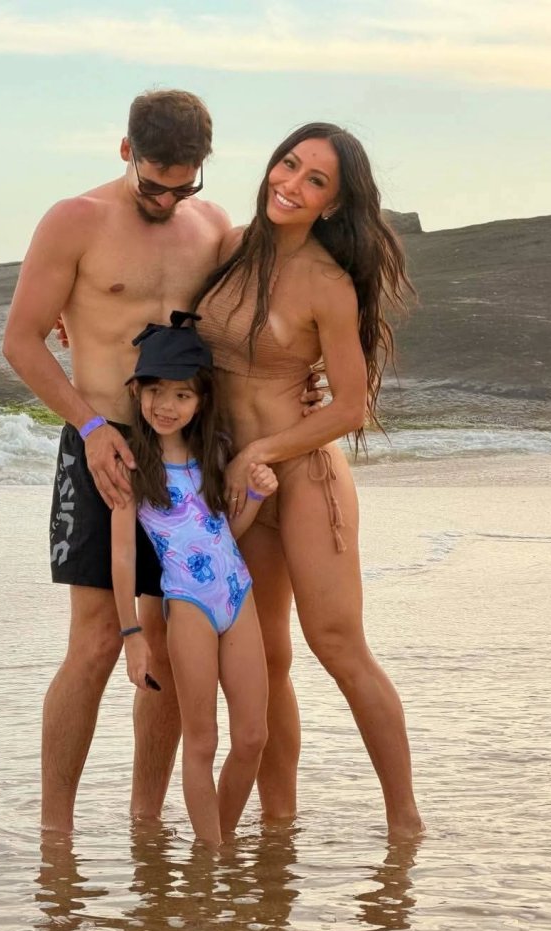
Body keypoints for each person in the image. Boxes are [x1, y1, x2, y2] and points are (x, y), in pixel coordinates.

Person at [2, 89, 303, 833]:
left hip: (186, 453)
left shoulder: (213, 228)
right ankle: (55, 832)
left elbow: (254, 322)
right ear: (125, 152)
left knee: (169, 638)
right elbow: (21, 340)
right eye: (154, 185)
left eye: (183, 186)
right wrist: (90, 426)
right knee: (97, 640)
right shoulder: (74, 220)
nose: (168, 200)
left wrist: (309, 373)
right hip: (103, 440)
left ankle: (146, 821)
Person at [195, 122, 424, 839]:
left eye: (315, 180)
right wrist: (79, 323)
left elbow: (350, 407)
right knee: (266, 658)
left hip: (300, 477)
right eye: (288, 165)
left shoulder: (328, 285)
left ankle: (405, 822)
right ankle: (279, 819)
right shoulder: (229, 249)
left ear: (334, 203)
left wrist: (263, 449)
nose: (291, 184)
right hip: (240, 482)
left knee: (337, 645)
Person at [111, 313, 277, 847]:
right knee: (201, 741)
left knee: (252, 736)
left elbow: (223, 531)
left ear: (200, 400)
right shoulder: (131, 465)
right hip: (187, 605)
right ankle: (212, 860)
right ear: (136, 391)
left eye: (181, 394)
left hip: (238, 595)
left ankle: (217, 842)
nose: (166, 405)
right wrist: (132, 635)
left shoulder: (215, 453)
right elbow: (121, 556)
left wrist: (255, 496)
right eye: (155, 391)